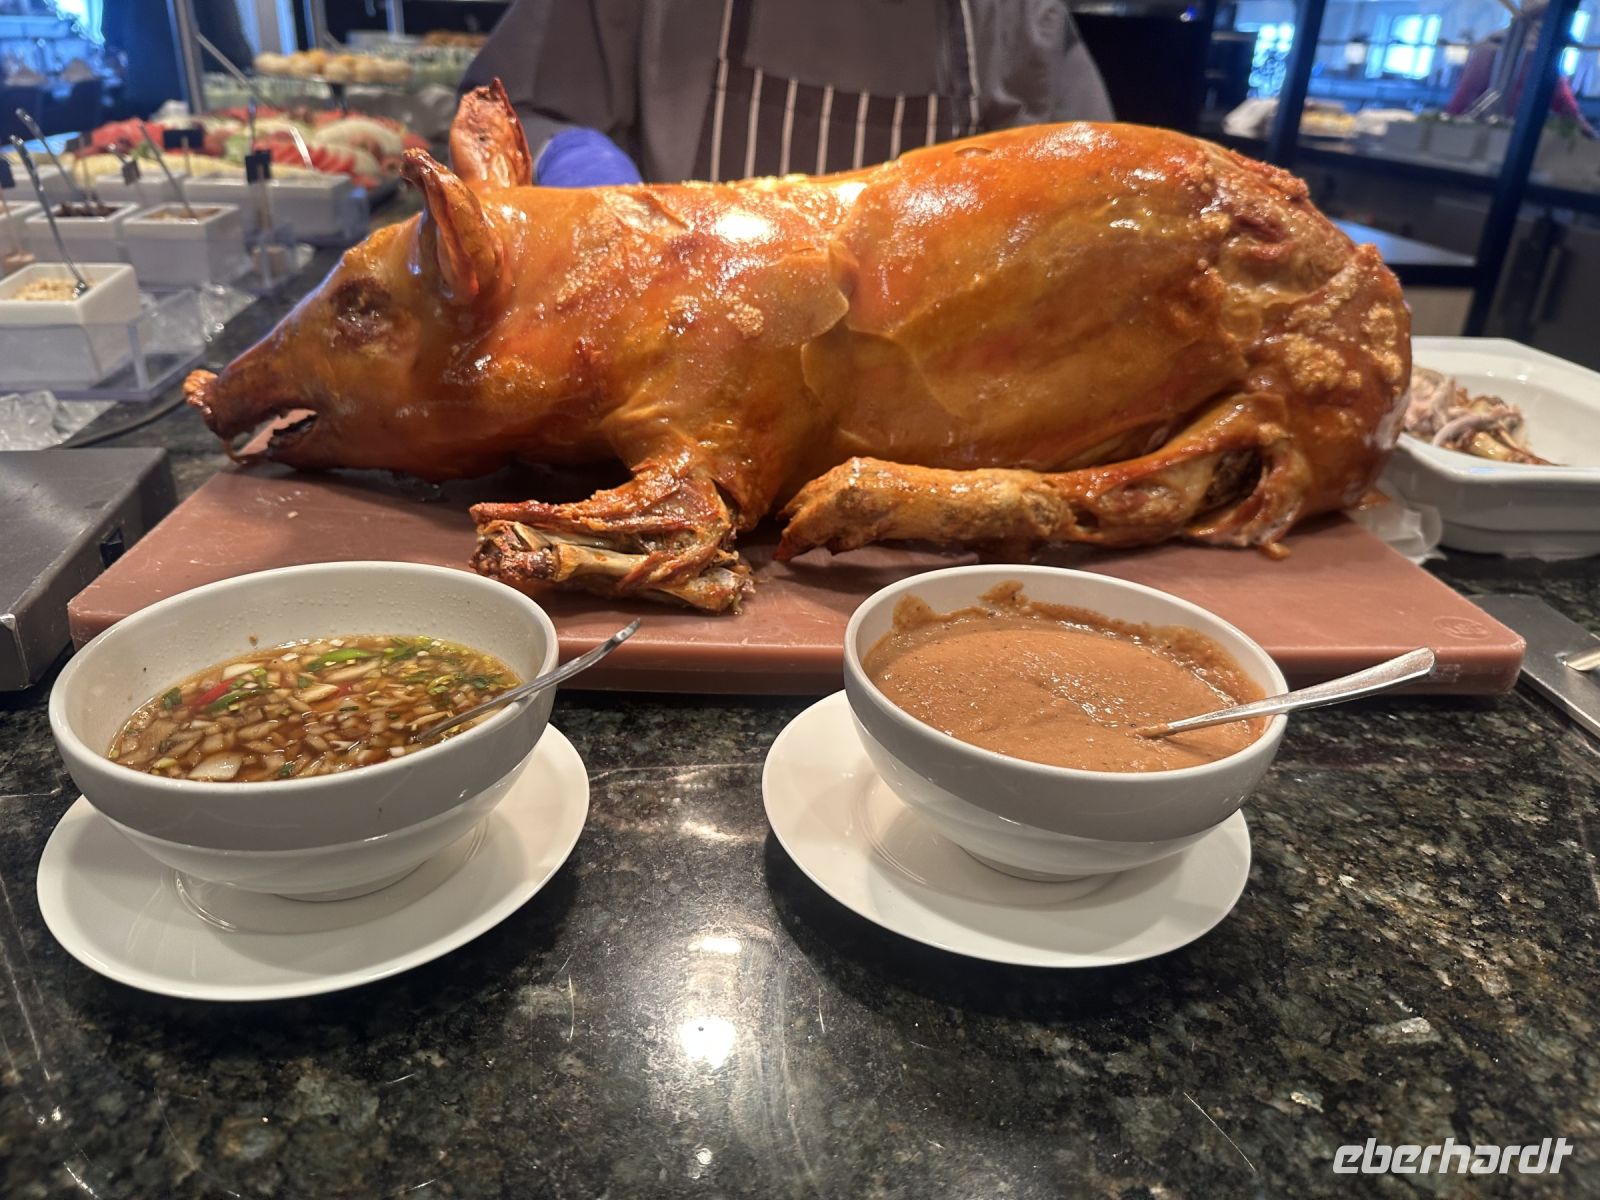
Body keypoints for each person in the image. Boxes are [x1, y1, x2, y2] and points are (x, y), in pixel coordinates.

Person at [461, 0, 1113, 186]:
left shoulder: (1015, 19)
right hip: (669, 357)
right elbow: (509, 113)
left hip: (920, 402)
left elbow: (1090, 192)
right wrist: (572, 161)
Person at [1444, 3, 1595, 135]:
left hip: (1508, 139)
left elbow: (1570, 113)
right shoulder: (1491, 51)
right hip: (1487, 138)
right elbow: (1460, 105)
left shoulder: (1547, 66)